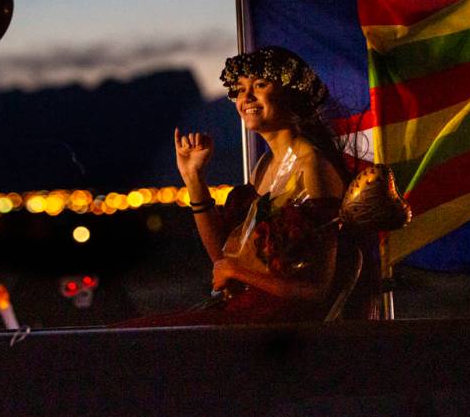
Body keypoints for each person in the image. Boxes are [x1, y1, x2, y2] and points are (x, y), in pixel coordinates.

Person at [116, 46, 361, 327]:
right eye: (240, 89)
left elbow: (316, 291)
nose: (246, 97)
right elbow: (222, 258)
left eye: (260, 84)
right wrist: (194, 178)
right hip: (244, 314)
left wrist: (237, 272)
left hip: (278, 329)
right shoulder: (266, 165)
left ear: (292, 92)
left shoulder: (314, 167)